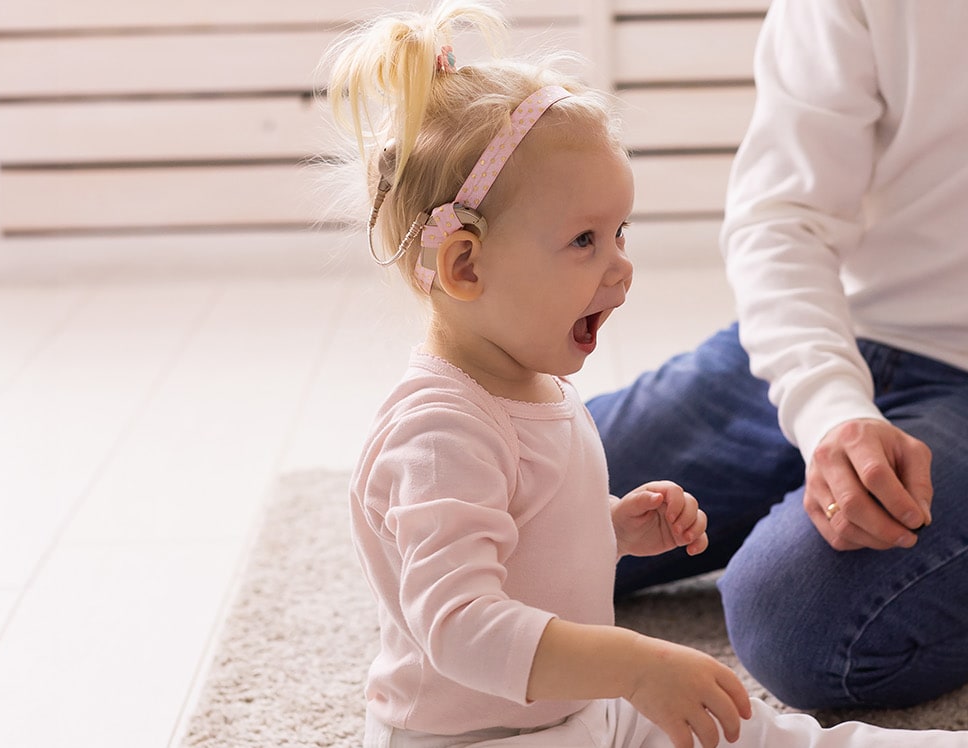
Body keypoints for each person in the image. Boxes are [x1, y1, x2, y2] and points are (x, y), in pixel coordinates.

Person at [328, 2, 968, 746]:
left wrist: (601, 529)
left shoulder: (524, 380)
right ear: (465, 265)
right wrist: (632, 665)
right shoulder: (439, 434)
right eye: (585, 241)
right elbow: (459, 625)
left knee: (751, 725)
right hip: (488, 738)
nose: (623, 269)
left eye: (621, 232)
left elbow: (533, 530)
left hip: (574, 717)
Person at [585, 0, 968, 712]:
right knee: (512, 492)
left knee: (794, 622)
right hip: (842, 323)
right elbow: (780, 215)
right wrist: (827, 407)